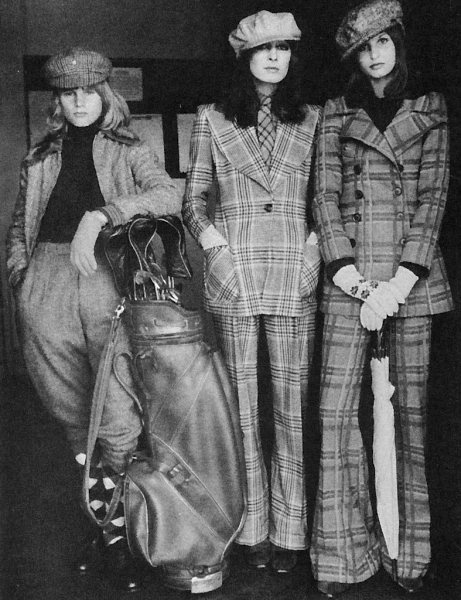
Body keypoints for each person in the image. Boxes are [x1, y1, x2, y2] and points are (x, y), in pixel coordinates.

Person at [6, 47, 182, 592]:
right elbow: (19, 225)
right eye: (68, 93)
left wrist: (101, 216)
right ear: (58, 101)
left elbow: (169, 195)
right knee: (71, 411)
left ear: (106, 95)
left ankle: (125, 533)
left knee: (117, 409)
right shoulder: (39, 157)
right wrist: (21, 276)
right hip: (47, 283)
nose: (80, 102)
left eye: (89, 92)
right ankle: (105, 525)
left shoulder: (129, 149)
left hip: (106, 277)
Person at [309, 1, 453, 596]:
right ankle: (343, 558)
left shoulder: (430, 108)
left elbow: (434, 199)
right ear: (353, 57)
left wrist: (399, 282)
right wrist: (349, 277)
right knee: (334, 415)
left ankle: (409, 554)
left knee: (411, 419)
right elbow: (323, 197)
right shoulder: (335, 112)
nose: (375, 55)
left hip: (411, 283)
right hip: (349, 281)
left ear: (398, 43)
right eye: (364, 48)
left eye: (383, 42)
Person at [183, 10, 321, 574]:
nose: (274, 58)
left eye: (283, 49)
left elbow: (324, 196)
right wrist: (214, 245)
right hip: (235, 273)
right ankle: (253, 529)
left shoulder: (312, 118)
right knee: (242, 408)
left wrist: (313, 248)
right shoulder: (212, 118)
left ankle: (290, 532)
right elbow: (193, 200)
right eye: (264, 49)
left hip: (293, 272)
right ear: (244, 58)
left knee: (291, 408)